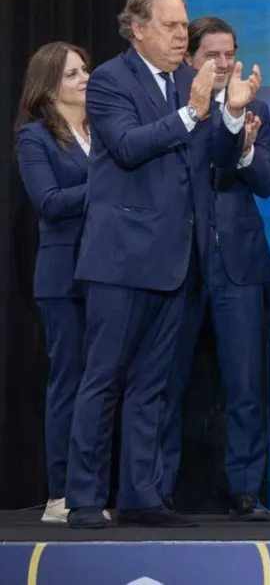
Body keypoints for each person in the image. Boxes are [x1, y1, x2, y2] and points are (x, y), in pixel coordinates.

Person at [65, 0, 260, 528]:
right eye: (173, 26)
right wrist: (194, 112)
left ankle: (140, 496)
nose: (183, 34)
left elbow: (216, 160)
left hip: (179, 260)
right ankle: (83, 498)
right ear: (138, 29)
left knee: (154, 385)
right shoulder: (109, 80)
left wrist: (229, 115)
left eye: (184, 24)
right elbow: (128, 146)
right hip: (122, 260)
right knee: (103, 379)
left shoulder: (186, 83)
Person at [159, 16, 270, 520]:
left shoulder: (258, 108)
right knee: (162, 382)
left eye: (229, 53)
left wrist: (245, 147)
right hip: (176, 262)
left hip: (240, 263)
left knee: (246, 385)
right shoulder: (173, 107)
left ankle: (245, 488)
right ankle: (156, 487)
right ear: (189, 58)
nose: (223, 63)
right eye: (212, 54)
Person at [14, 42, 108, 525]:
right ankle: (61, 492)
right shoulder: (35, 139)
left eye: (86, 70)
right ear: (50, 85)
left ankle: (92, 489)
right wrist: (108, 188)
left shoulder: (103, 132)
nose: (86, 79)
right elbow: (49, 202)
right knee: (68, 384)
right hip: (62, 277)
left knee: (103, 385)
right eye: (74, 74)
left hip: (108, 274)